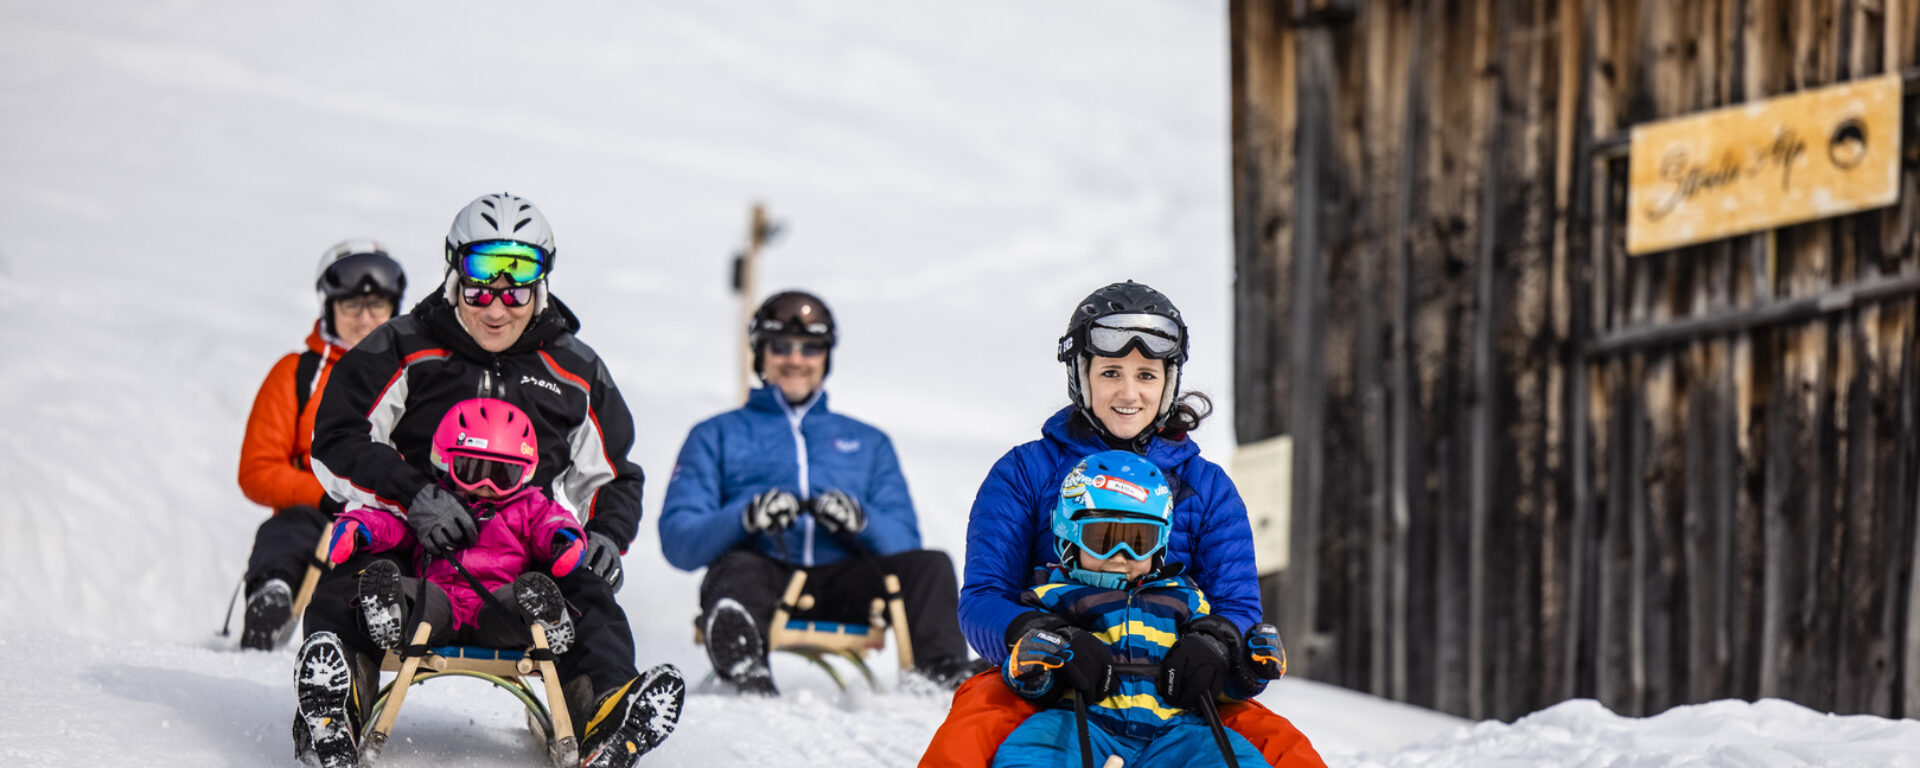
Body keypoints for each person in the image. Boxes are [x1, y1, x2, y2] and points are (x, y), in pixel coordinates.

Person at [299, 193, 682, 768]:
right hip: (413, 549)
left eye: (517, 287)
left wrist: (605, 534)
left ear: (542, 283)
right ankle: (332, 716)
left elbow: (615, 471)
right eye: (480, 286)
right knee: (354, 582)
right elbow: (336, 441)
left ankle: (605, 716)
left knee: (589, 596)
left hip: (521, 569)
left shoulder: (573, 370)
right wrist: (412, 495)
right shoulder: (402, 347)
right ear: (455, 271)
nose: (496, 308)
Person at [922, 280, 1324, 767]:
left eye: (1147, 375)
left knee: (1286, 753)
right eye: (1111, 372)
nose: (1128, 393)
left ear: (1168, 382)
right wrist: (1040, 634)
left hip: (1175, 688)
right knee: (968, 739)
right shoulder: (1025, 472)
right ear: (1082, 375)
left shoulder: (1208, 486)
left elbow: (1238, 603)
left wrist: (1215, 645)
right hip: (1053, 679)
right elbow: (983, 597)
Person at [659, 290, 988, 694]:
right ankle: (743, 661)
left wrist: (859, 519)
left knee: (931, 564)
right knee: (735, 568)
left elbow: (905, 540)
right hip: (762, 573)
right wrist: (746, 517)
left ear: (826, 356)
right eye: (781, 346)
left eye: (810, 348)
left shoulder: (868, 441)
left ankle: (940, 672)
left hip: (844, 584)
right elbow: (679, 540)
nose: (795, 359)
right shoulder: (715, 434)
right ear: (760, 353)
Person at [298, 398, 587, 765]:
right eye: (471, 470)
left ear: (525, 475)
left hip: (494, 608)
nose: (485, 486)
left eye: (502, 476)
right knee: (411, 593)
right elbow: (393, 525)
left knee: (522, 597)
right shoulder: (430, 504)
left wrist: (565, 540)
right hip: (437, 604)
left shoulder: (529, 505)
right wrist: (360, 530)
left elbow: (553, 522)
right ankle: (387, 609)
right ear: (445, 462)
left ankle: (546, 617)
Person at [993, 450, 1277, 767]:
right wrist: (1032, 666)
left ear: (1161, 542)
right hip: (1081, 724)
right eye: (1102, 538)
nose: (1120, 555)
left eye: (1139, 541)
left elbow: (1213, 679)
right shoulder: (1052, 597)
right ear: (1068, 534)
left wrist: (1248, 669)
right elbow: (1027, 668)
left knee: (1235, 756)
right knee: (1031, 750)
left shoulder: (1186, 600)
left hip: (1174, 734)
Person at [235, 240, 404, 651]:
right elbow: (257, 469)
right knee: (288, 530)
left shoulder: (416, 376)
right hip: (313, 517)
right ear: (329, 307)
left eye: (377, 306)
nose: (365, 319)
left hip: (389, 519)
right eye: (351, 306)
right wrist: (322, 496)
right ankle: (272, 599)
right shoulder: (296, 375)